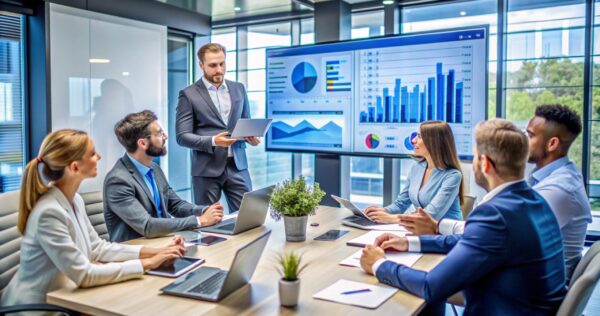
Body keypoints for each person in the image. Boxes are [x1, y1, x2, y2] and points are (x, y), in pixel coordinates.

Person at [361, 119, 566, 315]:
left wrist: (379, 264)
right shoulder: (536, 202)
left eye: (475, 157)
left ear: (485, 164)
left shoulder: (494, 214)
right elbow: (467, 240)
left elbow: (431, 286)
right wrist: (409, 243)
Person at [398, 104, 591, 281]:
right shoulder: (550, 179)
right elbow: (486, 231)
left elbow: (486, 233)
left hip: (523, 287)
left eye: (530, 135)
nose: (523, 140)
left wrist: (433, 229)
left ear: (552, 144)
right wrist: (434, 228)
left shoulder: (558, 190)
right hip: (524, 275)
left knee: (425, 276)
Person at [1, 129, 185, 307]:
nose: (99, 157)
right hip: (40, 308)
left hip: (69, 296)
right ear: (74, 167)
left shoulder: (75, 200)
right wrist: (149, 263)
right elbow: (84, 274)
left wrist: (159, 251)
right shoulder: (49, 212)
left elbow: (97, 248)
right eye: (92, 154)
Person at [104, 111, 224, 242]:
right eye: (160, 133)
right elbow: (147, 226)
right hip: (138, 249)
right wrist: (199, 221)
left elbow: (176, 205)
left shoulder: (154, 168)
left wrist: (206, 210)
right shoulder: (118, 180)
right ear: (143, 143)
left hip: (164, 241)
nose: (165, 136)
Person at [176, 43, 260, 212]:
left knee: (249, 215)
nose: (219, 69)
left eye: (222, 64)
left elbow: (245, 121)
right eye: (213, 65)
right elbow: (182, 136)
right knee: (209, 222)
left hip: (238, 166)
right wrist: (214, 141)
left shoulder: (239, 88)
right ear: (201, 65)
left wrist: (251, 137)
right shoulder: (188, 94)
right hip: (206, 170)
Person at [365, 121, 464, 223]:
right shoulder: (416, 168)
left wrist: (393, 218)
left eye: (419, 136)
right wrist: (383, 211)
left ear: (434, 142)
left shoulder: (453, 176)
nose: (413, 140)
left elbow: (431, 214)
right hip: (423, 231)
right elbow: (401, 203)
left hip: (445, 235)